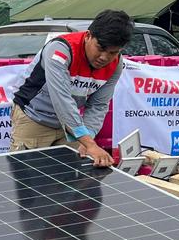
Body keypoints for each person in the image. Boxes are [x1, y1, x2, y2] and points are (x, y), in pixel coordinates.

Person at [10, 9, 133, 167]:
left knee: (68, 180)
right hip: (33, 117)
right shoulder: (60, 51)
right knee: (25, 177)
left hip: (69, 127)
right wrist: (89, 143)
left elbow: (98, 105)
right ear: (88, 35)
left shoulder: (116, 65)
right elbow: (62, 101)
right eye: (100, 48)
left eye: (113, 52)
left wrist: (87, 137)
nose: (104, 57)